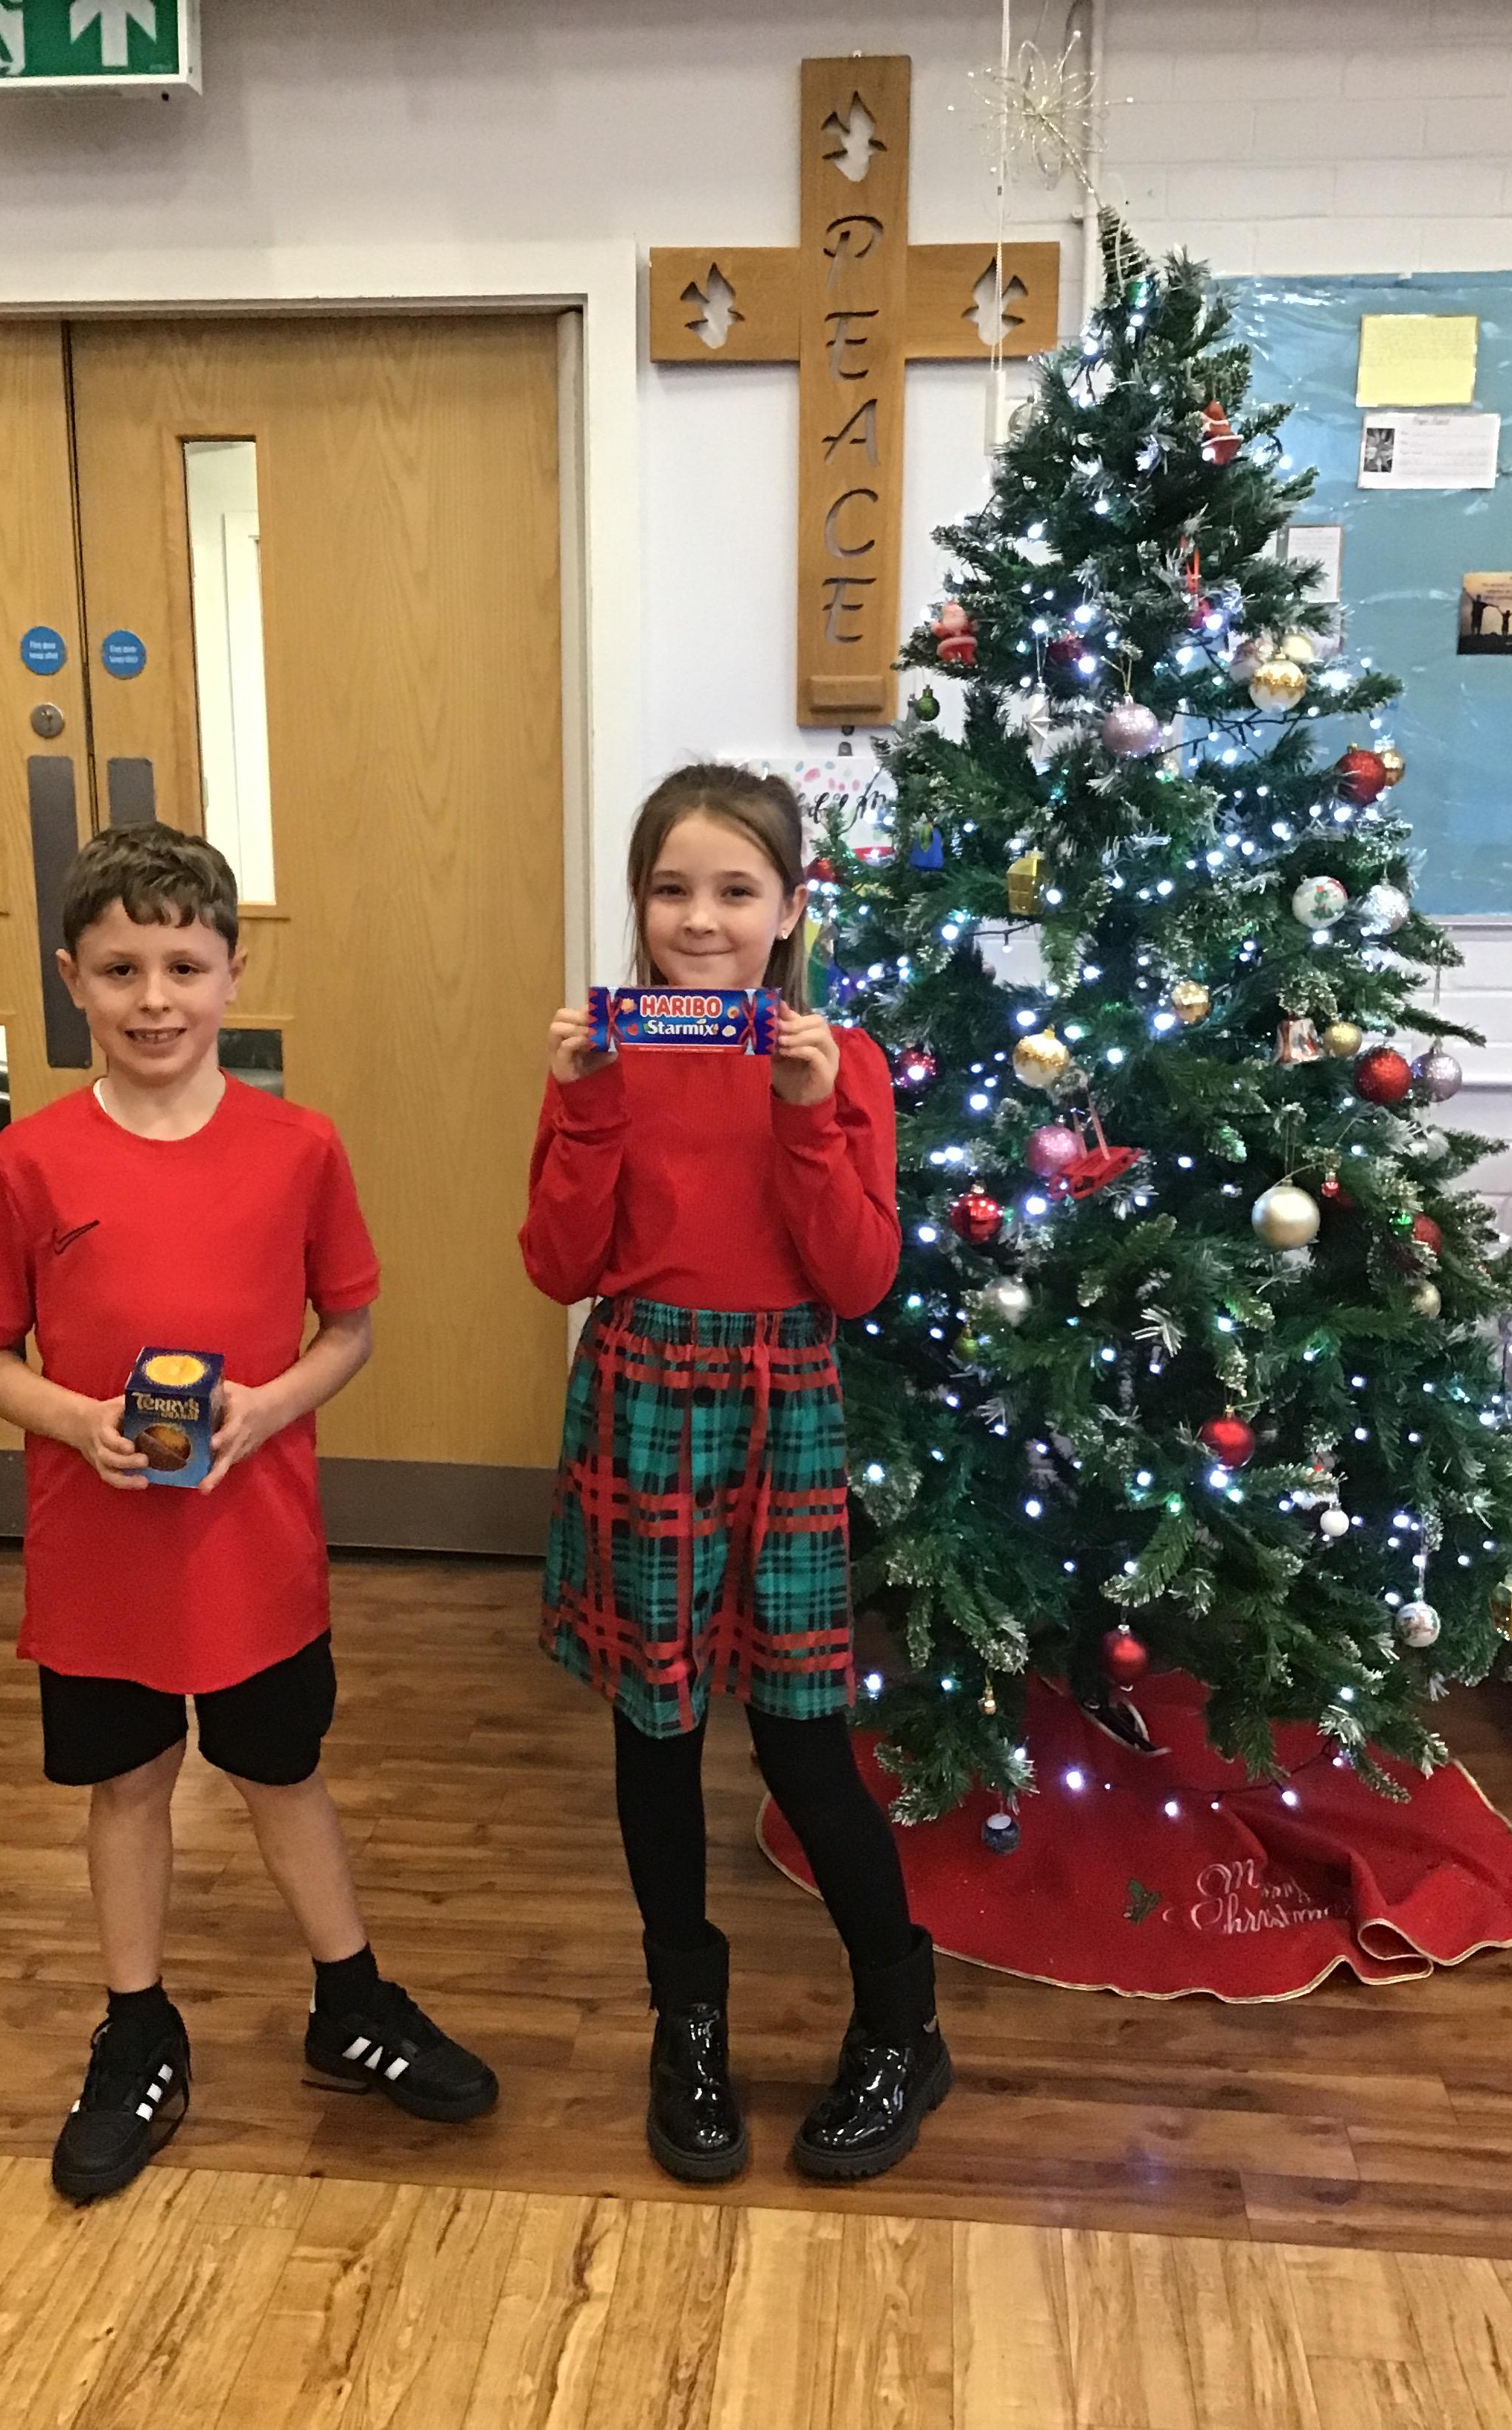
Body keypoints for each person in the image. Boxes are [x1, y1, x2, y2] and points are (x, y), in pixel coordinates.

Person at [0, 823, 496, 2205]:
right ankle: (138, 2028)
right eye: (121, 969)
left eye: (183, 967)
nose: (154, 999)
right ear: (71, 979)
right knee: (128, 1783)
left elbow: (349, 1329)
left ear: (233, 974)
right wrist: (75, 1420)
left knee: (281, 1770)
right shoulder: (30, 1160)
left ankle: (350, 2003)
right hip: (100, 1561)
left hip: (257, 1554)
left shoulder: (298, 1148)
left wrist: (267, 1406)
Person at [521, 763, 950, 2185]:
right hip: (643, 1395)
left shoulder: (844, 1061)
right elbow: (558, 1267)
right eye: (670, 890)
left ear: (790, 909)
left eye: (734, 891)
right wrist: (585, 1108)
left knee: (803, 1742)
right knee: (654, 1736)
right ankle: (686, 2024)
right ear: (638, 904)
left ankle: (901, 2020)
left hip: (786, 1404)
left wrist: (809, 1113)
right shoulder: (602, 1060)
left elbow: (860, 1278)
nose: (699, 920)